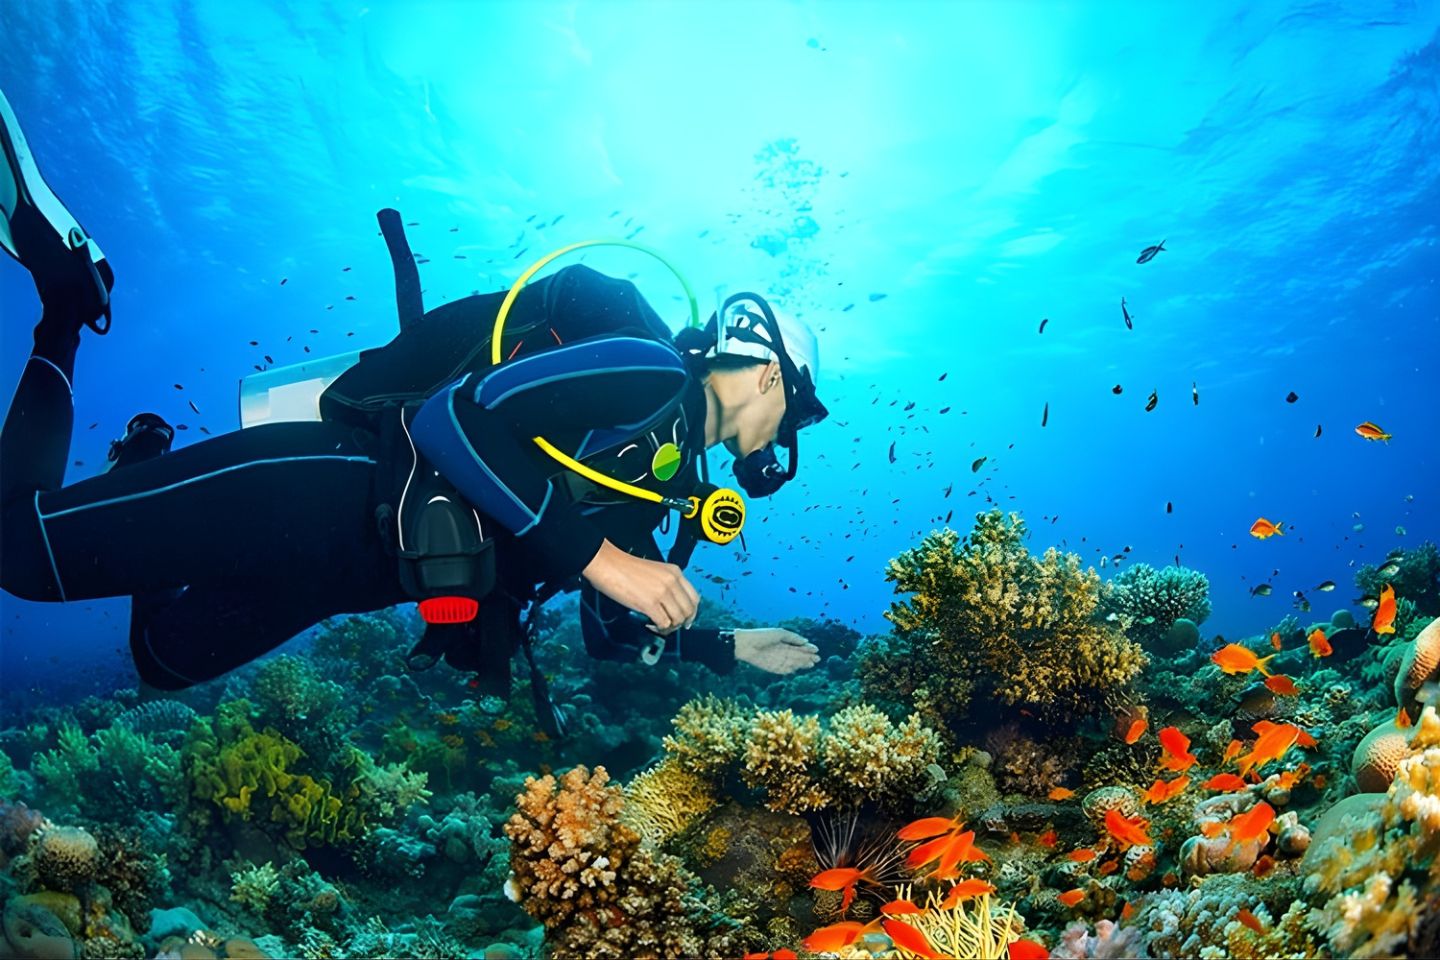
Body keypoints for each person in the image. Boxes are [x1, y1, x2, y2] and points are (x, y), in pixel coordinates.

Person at [0, 88, 827, 700]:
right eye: (797, 412)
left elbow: (609, 630)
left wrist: (723, 646)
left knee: (163, 661)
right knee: (17, 553)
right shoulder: (648, 370)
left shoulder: (661, 487)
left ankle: (140, 461)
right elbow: (453, 417)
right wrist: (608, 563)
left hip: (347, 578)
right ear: (767, 372)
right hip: (332, 488)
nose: (787, 438)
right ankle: (67, 306)